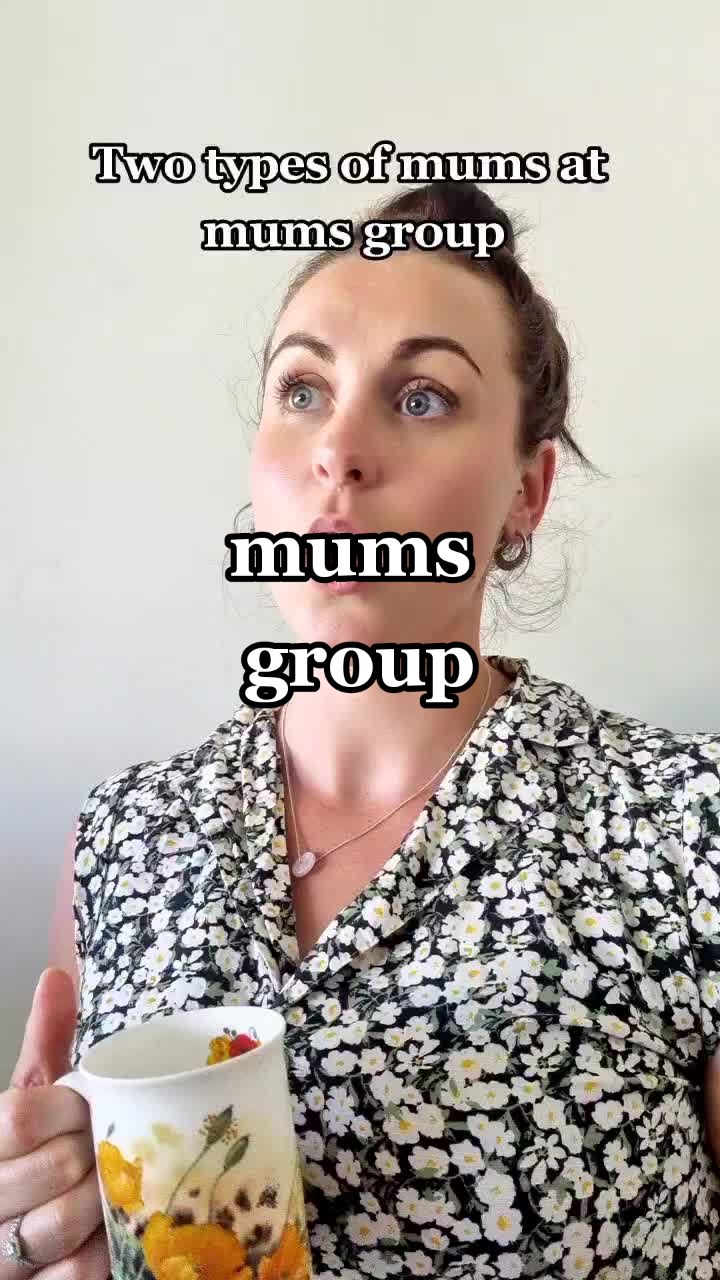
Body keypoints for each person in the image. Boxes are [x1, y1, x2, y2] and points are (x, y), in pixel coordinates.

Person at [2, 181, 720, 1280]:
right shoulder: (124, 835)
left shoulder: (685, 824)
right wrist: (42, 1226)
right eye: (303, 389)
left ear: (526, 493)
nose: (339, 449)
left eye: (423, 397)